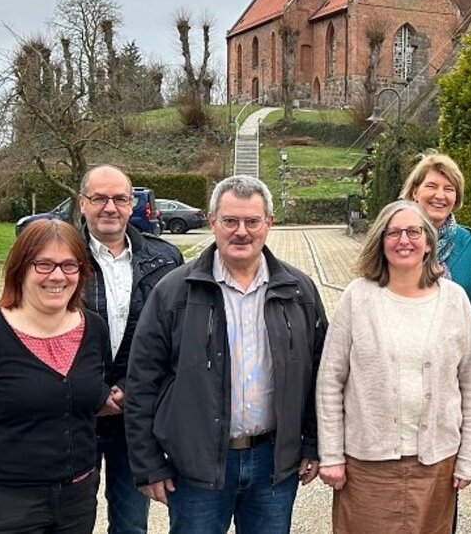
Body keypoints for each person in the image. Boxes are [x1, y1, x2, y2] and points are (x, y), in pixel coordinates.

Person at [124, 175, 327, 534]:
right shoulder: (173, 292)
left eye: (252, 221)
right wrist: (148, 463)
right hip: (197, 465)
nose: (241, 232)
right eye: (230, 221)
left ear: (269, 223)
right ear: (212, 221)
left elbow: (318, 377)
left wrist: (312, 442)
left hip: (273, 465)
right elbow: (142, 382)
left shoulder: (300, 292)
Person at [0, 219, 116, 534]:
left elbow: (88, 392)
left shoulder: (94, 329)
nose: (57, 276)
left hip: (75, 503)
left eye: (70, 265)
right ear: (20, 269)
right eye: (43, 264)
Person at [316, 199, 471, 534]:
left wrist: (468, 457)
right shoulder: (357, 297)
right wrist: (332, 454)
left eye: (413, 232)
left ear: (428, 243)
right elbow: (330, 381)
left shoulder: (454, 300)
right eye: (393, 232)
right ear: (380, 241)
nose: (403, 240)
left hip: (436, 464)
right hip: (367, 466)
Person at [77, 165, 183, 534]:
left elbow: (173, 341)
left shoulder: (165, 260)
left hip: (133, 415)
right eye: (99, 198)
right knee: (69, 519)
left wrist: (128, 389)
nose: (110, 207)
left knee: (131, 524)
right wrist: (96, 392)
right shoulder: (60, 256)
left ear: (132, 203)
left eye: (120, 198)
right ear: (82, 203)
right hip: (73, 414)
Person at [402, 152, 471, 331]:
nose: (440, 195)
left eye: (449, 189)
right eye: (431, 186)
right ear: (415, 191)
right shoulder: (395, 242)